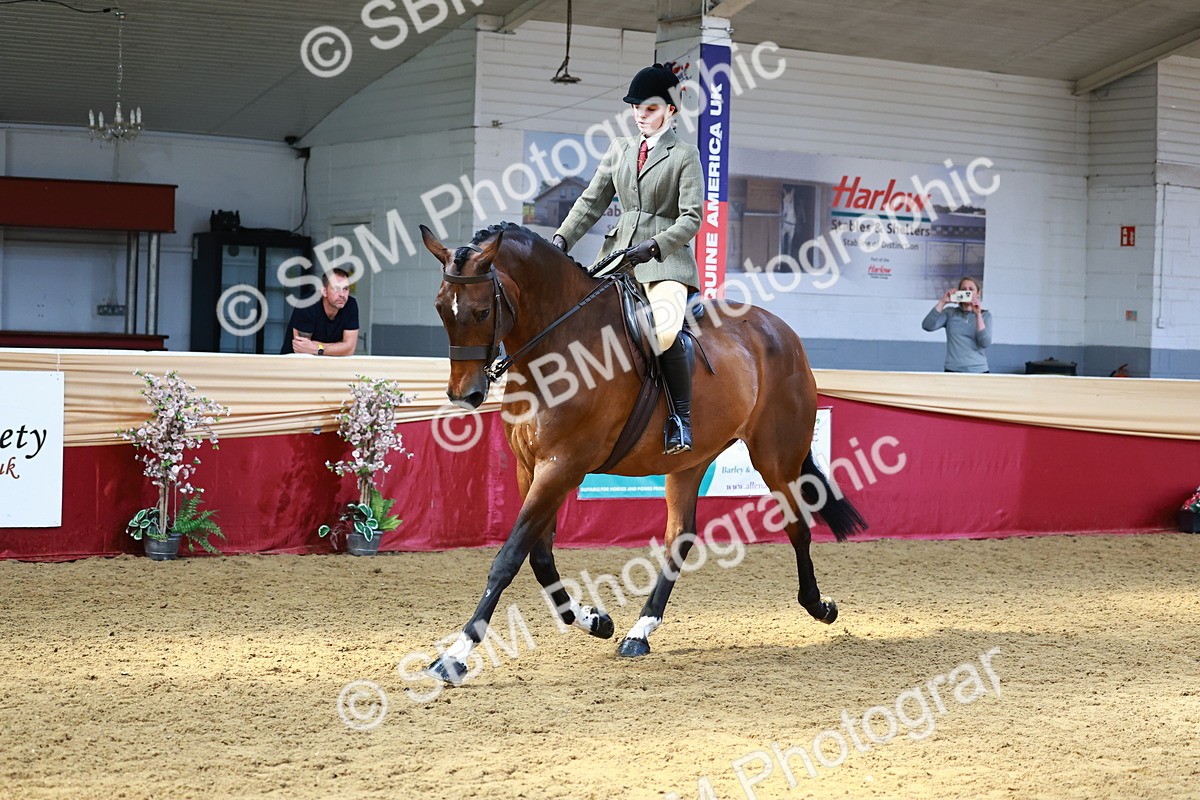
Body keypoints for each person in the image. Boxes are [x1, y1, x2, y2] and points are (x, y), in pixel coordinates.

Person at [552, 64, 703, 455]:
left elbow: (691, 218)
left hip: (665, 263)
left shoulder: (685, 155)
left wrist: (654, 246)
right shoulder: (619, 149)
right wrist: (561, 240)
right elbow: (591, 201)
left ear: (671, 110)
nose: (640, 115)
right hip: (616, 257)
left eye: (650, 108)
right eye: (636, 107)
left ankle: (680, 420)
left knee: (665, 331)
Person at [281, 268, 360, 356]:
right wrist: (340, 346)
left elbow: (349, 349)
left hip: (331, 363)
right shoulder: (307, 304)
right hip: (293, 362)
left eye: (345, 289)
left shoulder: (350, 305)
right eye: (336, 288)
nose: (342, 294)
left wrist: (317, 348)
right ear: (324, 291)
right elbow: (302, 349)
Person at [922, 276, 992, 373]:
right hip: (953, 369)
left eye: (971, 289)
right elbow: (927, 326)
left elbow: (985, 343)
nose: (967, 292)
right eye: (964, 290)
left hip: (978, 370)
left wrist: (978, 315)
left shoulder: (986, 316)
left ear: (978, 293)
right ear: (959, 293)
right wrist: (943, 302)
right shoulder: (949, 313)